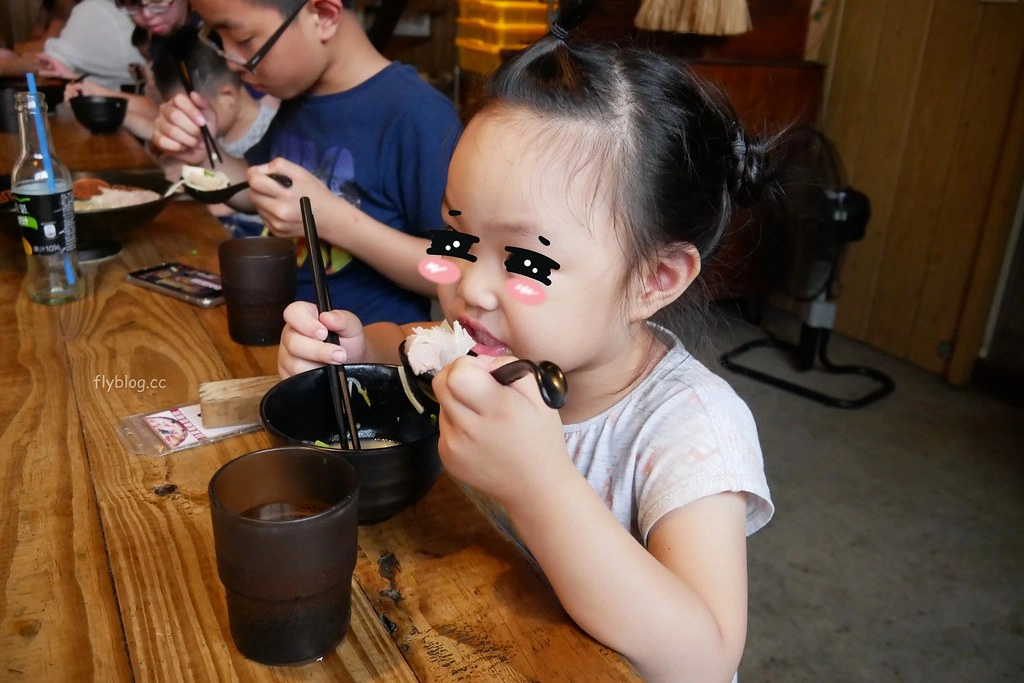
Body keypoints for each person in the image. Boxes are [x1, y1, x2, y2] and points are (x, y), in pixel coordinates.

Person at [276, 0, 776, 679]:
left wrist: (539, 485)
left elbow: (704, 658)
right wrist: (352, 348)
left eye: (525, 261)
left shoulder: (689, 428)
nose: (471, 286)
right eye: (458, 237)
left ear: (653, 279)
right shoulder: (484, 345)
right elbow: (406, 343)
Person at [149, 0, 460, 325]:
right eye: (217, 38)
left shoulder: (418, 114)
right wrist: (204, 153)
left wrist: (335, 222)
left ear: (323, 15)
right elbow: (256, 188)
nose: (232, 62)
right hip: (285, 334)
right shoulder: (299, 94)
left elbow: (456, 271)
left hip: (362, 348)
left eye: (243, 40)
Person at [151, 26, 278, 236]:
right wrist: (200, 155)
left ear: (227, 95)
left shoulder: (270, 128)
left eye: (192, 109)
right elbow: (249, 191)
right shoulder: (217, 135)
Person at [64, 0, 194, 139]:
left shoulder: (203, 38)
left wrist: (103, 98)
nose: (147, 14)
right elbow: (160, 110)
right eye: (133, 4)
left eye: (157, 0)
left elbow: (185, 124)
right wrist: (96, 95)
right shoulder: (158, 40)